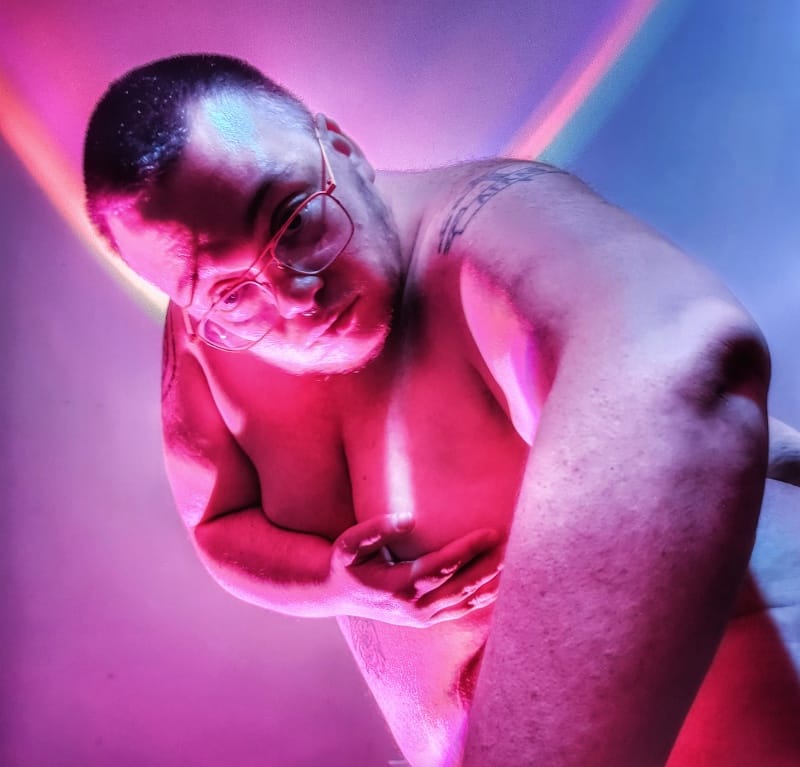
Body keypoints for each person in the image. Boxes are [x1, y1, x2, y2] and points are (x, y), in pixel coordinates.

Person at [83, 54, 799, 767]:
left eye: (294, 220)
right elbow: (219, 523)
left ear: (340, 148)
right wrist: (331, 581)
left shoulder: (486, 227)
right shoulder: (204, 339)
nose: (297, 294)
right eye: (231, 293)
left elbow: (676, 354)